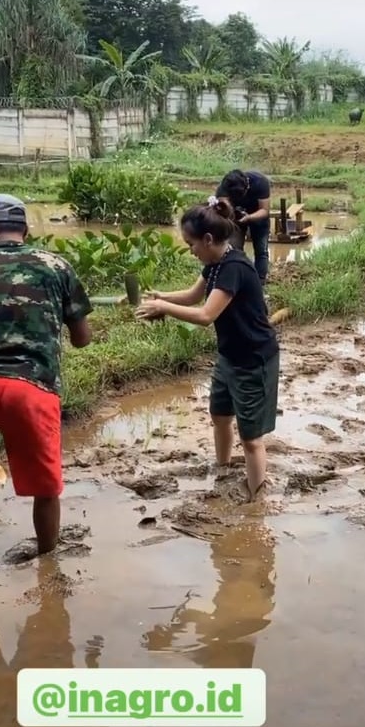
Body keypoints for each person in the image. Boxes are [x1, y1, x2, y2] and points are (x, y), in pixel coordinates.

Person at [135, 196, 280, 501]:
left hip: (254, 359)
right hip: (229, 356)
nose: (191, 251)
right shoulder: (214, 265)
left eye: (191, 244)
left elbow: (205, 315)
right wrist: (163, 296)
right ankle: (224, 470)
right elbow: (191, 297)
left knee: (251, 438)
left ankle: (257, 500)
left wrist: (163, 307)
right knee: (220, 417)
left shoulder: (234, 267)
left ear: (209, 239)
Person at [0, 194, 93, 556]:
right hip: (32, 387)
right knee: (46, 487)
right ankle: (48, 561)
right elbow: (82, 339)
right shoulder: (55, 265)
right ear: (25, 230)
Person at [215, 169, 271, 286]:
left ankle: (260, 282)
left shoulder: (260, 182)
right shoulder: (224, 186)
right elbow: (223, 207)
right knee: (234, 249)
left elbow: (264, 210)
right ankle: (239, 278)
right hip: (236, 218)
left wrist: (249, 217)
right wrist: (229, 213)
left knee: (261, 251)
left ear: (247, 187)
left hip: (259, 217)